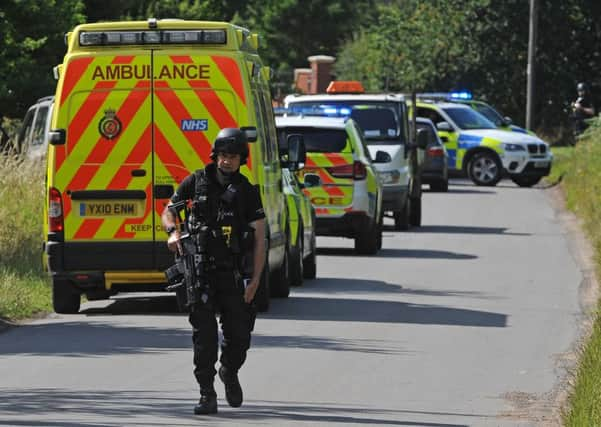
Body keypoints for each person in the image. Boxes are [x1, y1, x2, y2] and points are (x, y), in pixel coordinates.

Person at [161, 127, 266, 415]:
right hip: (201, 274)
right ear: (215, 156)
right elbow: (170, 209)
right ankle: (206, 394)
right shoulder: (196, 182)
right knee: (204, 338)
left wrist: (255, 279)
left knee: (239, 336)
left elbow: (260, 237)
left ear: (241, 159)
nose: (226, 161)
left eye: (232, 156)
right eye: (222, 155)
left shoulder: (246, 192)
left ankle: (229, 371)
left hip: (231, 275)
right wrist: (173, 232)